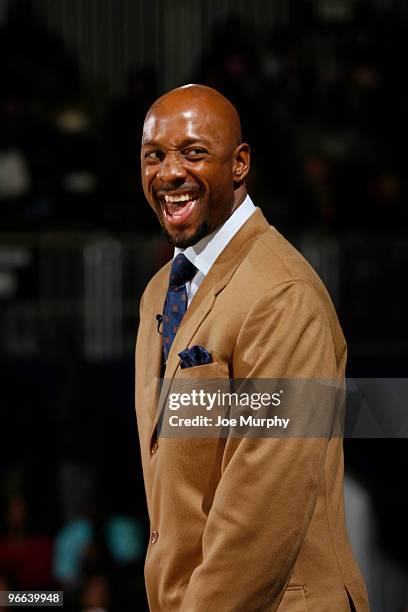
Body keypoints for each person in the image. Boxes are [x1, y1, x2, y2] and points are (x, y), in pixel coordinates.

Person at [135, 84, 369, 611]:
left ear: (240, 164)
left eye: (194, 152)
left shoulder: (282, 295)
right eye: (155, 155)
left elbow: (263, 505)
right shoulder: (159, 291)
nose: (169, 172)